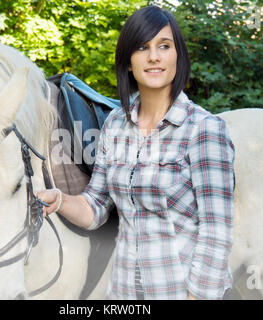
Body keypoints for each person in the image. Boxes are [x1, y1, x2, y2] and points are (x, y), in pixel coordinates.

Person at [36, 5, 235, 300]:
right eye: (142, 48)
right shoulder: (116, 124)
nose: (154, 56)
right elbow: (96, 207)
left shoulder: (204, 130)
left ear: (177, 56)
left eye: (164, 46)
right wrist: (61, 200)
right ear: (129, 61)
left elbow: (216, 233)